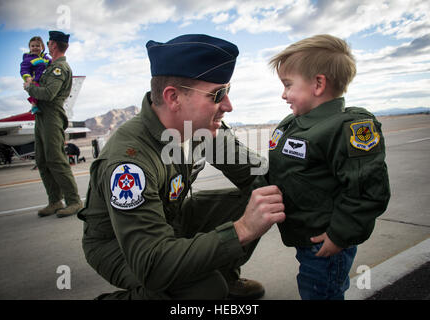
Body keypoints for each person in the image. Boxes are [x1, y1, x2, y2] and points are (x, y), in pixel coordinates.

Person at [77, 34, 285, 300]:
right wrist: (242, 229)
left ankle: (225, 275)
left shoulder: (198, 128)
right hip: (121, 244)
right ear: (174, 97)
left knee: (262, 194)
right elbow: (152, 263)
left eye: (228, 92)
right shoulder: (130, 162)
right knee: (204, 291)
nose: (229, 105)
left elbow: (260, 176)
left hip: (170, 220)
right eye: (217, 94)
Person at [262, 34, 391, 299]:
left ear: (318, 84)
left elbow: (367, 191)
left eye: (288, 85)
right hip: (305, 236)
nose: (283, 94)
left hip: (326, 243)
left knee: (320, 293)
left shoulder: (349, 127)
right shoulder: (293, 123)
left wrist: (339, 236)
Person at [24, 31, 82, 218]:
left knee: (56, 159)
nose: (46, 46)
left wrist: (30, 87)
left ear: (53, 45)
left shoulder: (59, 68)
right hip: (41, 116)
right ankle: (55, 201)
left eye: (48, 43)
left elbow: (49, 93)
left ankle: (74, 201)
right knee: (42, 160)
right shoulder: (49, 66)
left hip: (52, 116)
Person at [20, 36, 50, 114]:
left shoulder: (45, 58)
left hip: (44, 80)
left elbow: (51, 62)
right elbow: (24, 69)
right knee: (36, 89)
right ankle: (34, 106)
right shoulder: (28, 59)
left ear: (42, 47)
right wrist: (28, 78)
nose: (35, 48)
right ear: (29, 47)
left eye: (37, 46)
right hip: (34, 79)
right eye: (32, 46)